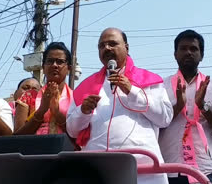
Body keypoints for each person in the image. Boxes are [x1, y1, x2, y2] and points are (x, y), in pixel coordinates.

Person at [66, 28, 173, 184]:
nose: (106, 48)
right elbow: (72, 130)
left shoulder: (147, 80)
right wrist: (83, 111)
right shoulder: (86, 87)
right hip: (98, 170)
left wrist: (131, 90)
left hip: (142, 170)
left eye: (112, 43)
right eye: (101, 46)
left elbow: (165, 118)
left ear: (127, 48)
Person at [158, 30, 212, 184]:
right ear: (175, 54)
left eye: (194, 49)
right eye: (183, 48)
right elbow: (154, 123)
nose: (188, 52)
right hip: (169, 169)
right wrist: (178, 106)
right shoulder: (160, 86)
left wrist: (204, 107)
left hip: (205, 169)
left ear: (201, 55)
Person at [14, 42, 73, 135]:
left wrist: (57, 113)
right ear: (43, 67)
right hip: (34, 149)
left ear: (69, 68)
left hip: (66, 149)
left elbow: (79, 137)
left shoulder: (76, 98)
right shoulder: (29, 97)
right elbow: (17, 137)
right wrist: (42, 110)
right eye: (50, 61)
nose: (54, 65)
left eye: (60, 62)